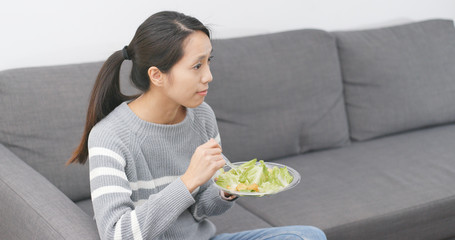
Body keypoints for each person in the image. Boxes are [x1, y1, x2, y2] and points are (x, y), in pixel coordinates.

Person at [68, 11, 327, 240]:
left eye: (208, 61)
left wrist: (227, 189)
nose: (208, 76)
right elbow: (117, 234)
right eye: (196, 66)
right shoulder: (109, 137)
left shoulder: (202, 116)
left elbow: (202, 208)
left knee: (308, 237)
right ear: (157, 75)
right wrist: (189, 180)